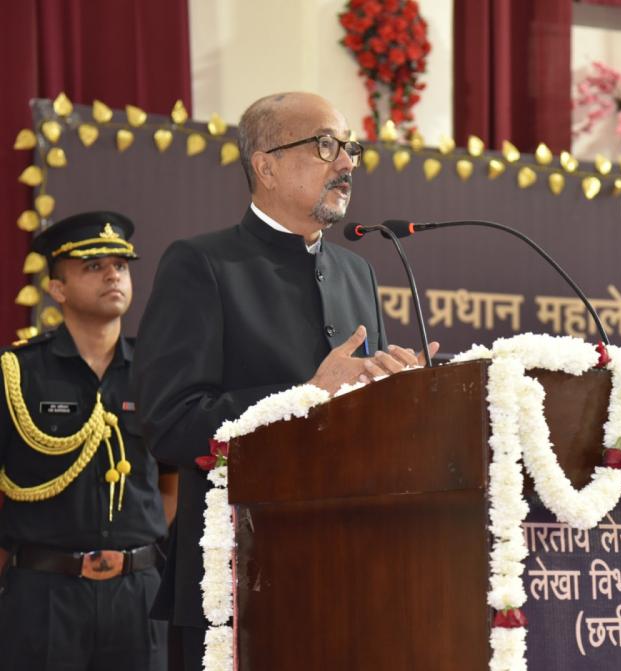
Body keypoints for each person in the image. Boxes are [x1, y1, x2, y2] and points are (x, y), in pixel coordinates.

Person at [132, 91, 438, 670]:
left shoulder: (358, 272)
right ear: (265, 166)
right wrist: (307, 395)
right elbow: (170, 424)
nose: (345, 163)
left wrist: (397, 392)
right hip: (238, 583)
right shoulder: (202, 264)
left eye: (350, 148)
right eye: (325, 145)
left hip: (349, 575)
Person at [0, 211, 171, 671]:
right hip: (44, 595)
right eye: (94, 267)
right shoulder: (18, 373)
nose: (113, 275)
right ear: (57, 289)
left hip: (138, 594)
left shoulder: (154, 371)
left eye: (121, 265)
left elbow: (171, 483)